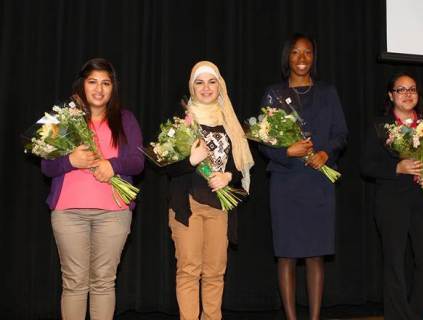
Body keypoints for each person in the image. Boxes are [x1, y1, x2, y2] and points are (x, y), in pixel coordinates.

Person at [41, 58, 144, 320]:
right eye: (93, 82)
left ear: (113, 88)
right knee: (74, 283)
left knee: (104, 282)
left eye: (105, 83)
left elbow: (137, 162)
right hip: (68, 213)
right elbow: (46, 166)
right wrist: (70, 161)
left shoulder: (126, 119)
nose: (99, 89)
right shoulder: (62, 118)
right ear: (82, 85)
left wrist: (113, 165)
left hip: (114, 213)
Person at [259, 33, 348, 319]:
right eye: (295, 53)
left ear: (313, 57)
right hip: (286, 183)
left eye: (307, 53)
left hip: (318, 182)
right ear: (288, 57)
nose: (301, 58)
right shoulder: (274, 93)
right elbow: (263, 141)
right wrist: (287, 152)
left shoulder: (328, 92)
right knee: (286, 254)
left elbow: (341, 134)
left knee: (315, 254)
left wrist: (326, 153)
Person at [165, 61, 254, 320]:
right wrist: (190, 161)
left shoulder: (229, 121)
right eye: (199, 82)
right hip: (188, 205)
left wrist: (229, 176)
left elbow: (239, 165)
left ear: (220, 86)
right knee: (189, 270)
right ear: (192, 87)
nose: (206, 88)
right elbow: (166, 167)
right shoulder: (182, 121)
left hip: (219, 207)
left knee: (215, 272)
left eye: (211, 82)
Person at [360, 72, 423, 320]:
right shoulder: (380, 127)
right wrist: (396, 168)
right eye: (401, 89)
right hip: (392, 201)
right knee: (394, 262)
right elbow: (366, 165)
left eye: (412, 89)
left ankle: (418, 314)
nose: (408, 94)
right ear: (391, 95)